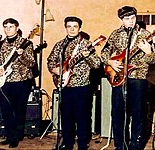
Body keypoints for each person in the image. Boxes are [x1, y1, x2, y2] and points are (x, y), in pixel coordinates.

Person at [101, 6, 155, 150]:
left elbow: (153, 60)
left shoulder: (145, 34)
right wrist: (110, 62)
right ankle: (120, 146)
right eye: (127, 19)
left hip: (138, 78)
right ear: (121, 20)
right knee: (118, 114)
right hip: (118, 78)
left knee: (138, 114)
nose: (131, 21)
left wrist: (148, 51)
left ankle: (135, 146)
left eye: (133, 18)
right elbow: (104, 52)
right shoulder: (115, 34)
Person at [47, 16, 101, 150]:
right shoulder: (60, 44)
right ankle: (67, 142)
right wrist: (54, 69)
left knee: (82, 116)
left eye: (75, 26)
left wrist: (88, 55)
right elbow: (50, 61)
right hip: (64, 85)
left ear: (79, 28)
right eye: (69, 26)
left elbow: (96, 64)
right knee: (66, 116)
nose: (72, 29)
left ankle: (83, 143)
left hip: (81, 86)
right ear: (65, 27)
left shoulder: (86, 44)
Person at [0, 18, 36, 148]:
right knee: (5, 110)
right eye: (6, 26)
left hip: (22, 81)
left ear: (17, 28)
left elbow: (32, 63)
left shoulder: (25, 43)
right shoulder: (1, 44)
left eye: (11, 26)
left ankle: (16, 136)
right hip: (5, 82)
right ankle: (10, 135)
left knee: (19, 110)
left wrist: (22, 55)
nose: (8, 29)